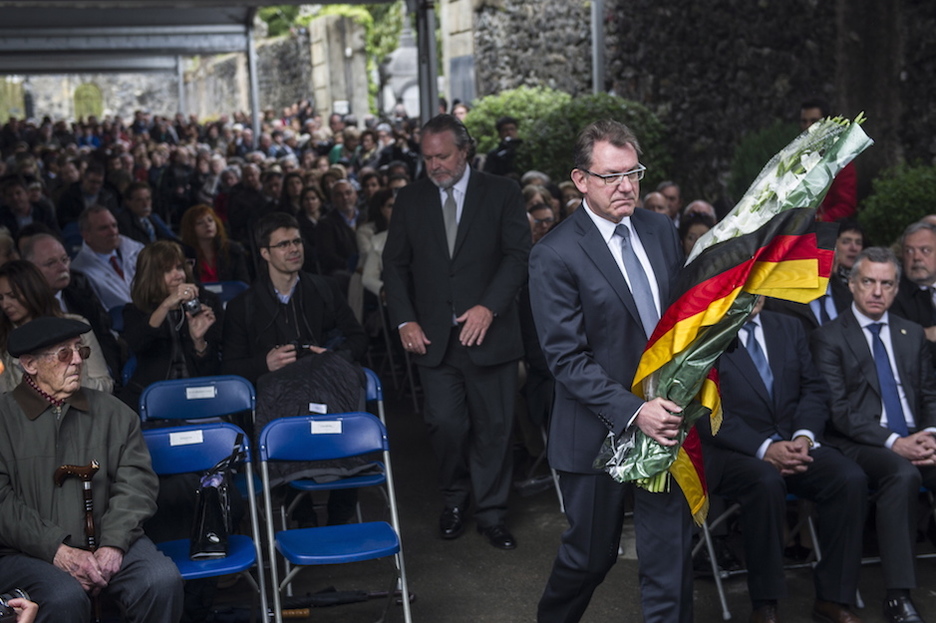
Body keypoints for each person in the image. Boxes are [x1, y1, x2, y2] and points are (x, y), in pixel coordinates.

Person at [529, 119, 689, 622]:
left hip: (667, 423)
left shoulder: (661, 229)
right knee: (590, 558)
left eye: (634, 173)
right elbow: (566, 359)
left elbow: (683, 320)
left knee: (670, 562)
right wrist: (635, 411)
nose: (626, 186)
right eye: (611, 176)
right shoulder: (553, 254)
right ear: (581, 180)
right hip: (597, 434)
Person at [383, 114, 530, 550]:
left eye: (442, 156)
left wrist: (490, 306)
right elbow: (394, 264)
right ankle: (453, 500)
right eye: (427, 158)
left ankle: (492, 513)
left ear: (465, 150)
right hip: (435, 340)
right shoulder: (409, 200)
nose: (435, 166)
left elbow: (519, 254)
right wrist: (405, 319)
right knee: (445, 425)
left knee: (494, 429)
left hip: (491, 335)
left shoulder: (502, 192)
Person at [0, 316, 184, 623]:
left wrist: (113, 544)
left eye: (80, 351)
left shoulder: (115, 414)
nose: (77, 361)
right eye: (63, 354)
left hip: (109, 539)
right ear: (30, 365)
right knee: (62, 596)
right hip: (26, 552)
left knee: (160, 580)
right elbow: (3, 505)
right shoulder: (4, 419)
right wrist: (56, 549)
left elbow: (137, 485)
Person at [698, 297, 867, 623]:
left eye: (762, 283)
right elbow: (704, 414)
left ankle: (833, 599)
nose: (755, 292)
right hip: (737, 451)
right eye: (747, 283)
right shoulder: (705, 334)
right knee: (765, 482)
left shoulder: (787, 326)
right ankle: (766, 604)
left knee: (849, 478)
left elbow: (814, 389)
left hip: (796, 442)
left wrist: (804, 436)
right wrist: (764, 448)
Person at [811, 247, 936, 623]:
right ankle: (898, 596)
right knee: (901, 474)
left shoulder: (912, 334)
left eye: (886, 283)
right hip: (860, 443)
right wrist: (895, 443)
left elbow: (930, 394)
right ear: (852, 285)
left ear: (897, 289)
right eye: (869, 282)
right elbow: (839, 411)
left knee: (917, 465)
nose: (877, 291)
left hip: (915, 437)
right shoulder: (829, 337)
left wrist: (930, 434)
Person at [221, 212, 367, 385]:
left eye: (297, 241)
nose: (294, 249)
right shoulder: (241, 306)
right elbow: (229, 368)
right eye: (283, 244)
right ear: (265, 253)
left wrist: (333, 357)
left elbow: (358, 338)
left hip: (327, 389)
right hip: (275, 400)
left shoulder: (327, 288)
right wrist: (264, 364)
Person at [120, 241, 221, 409]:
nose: (178, 275)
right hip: (152, 396)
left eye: (180, 268)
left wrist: (199, 341)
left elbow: (214, 367)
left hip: (199, 393)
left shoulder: (207, 302)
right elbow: (137, 343)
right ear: (150, 276)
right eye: (167, 271)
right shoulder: (135, 310)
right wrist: (166, 305)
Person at [20, 233, 122, 386]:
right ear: (30, 270)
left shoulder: (81, 291)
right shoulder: (21, 310)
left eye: (64, 259)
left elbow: (105, 339)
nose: (62, 267)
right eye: (51, 263)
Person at [0, 260, 113, 394]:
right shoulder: (3, 337)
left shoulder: (76, 327)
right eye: (0, 298)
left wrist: (67, 380)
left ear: (33, 291)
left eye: (12, 296)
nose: (5, 304)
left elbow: (105, 385)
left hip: (81, 409)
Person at [70, 205, 144, 311]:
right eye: (103, 228)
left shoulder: (137, 249)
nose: (113, 232)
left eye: (114, 225)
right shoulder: (79, 272)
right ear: (87, 235)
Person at [800, 98, 857, 222]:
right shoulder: (794, 158)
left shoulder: (839, 158)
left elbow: (846, 206)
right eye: (804, 121)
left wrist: (818, 220)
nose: (808, 126)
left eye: (814, 121)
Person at [179, 204, 250, 284]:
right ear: (190, 228)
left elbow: (244, 282)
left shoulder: (233, 249)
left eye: (210, 220)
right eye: (200, 223)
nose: (207, 225)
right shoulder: (183, 254)